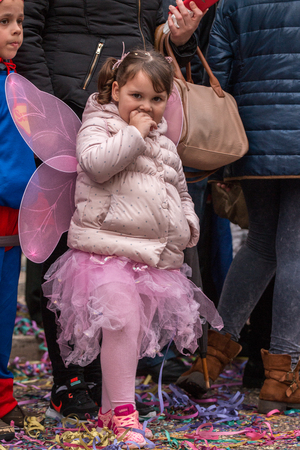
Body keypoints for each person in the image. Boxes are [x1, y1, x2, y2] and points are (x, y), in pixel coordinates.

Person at [14, 0, 206, 420]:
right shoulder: (95, 117)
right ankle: (72, 378)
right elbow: (29, 25)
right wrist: (51, 106)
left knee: (127, 296)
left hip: (139, 91)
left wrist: (178, 40)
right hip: (75, 100)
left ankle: (110, 388)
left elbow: (175, 181)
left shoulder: (156, 127)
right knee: (75, 263)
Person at [41, 48, 223, 446]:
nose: (147, 107)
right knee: (120, 322)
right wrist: (135, 133)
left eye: (157, 100)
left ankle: (109, 409)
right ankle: (125, 412)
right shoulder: (99, 125)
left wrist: (187, 224)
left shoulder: (165, 143)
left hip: (151, 257)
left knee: (131, 328)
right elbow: (97, 165)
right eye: (137, 96)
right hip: (105, 251)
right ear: (115, 89)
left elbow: (179, 190)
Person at [176, 0, 300, 413]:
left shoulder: (235, 2)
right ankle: (283, 375)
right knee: (294, 251)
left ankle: (210, 360)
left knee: (261, 245)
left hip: (254, 138)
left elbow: (219, 74)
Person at [0, 0, 36, 441]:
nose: (16, 31)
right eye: (4, 22)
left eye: (20, 22)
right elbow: (14, 170)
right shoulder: (8, 88)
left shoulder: (12, 80)